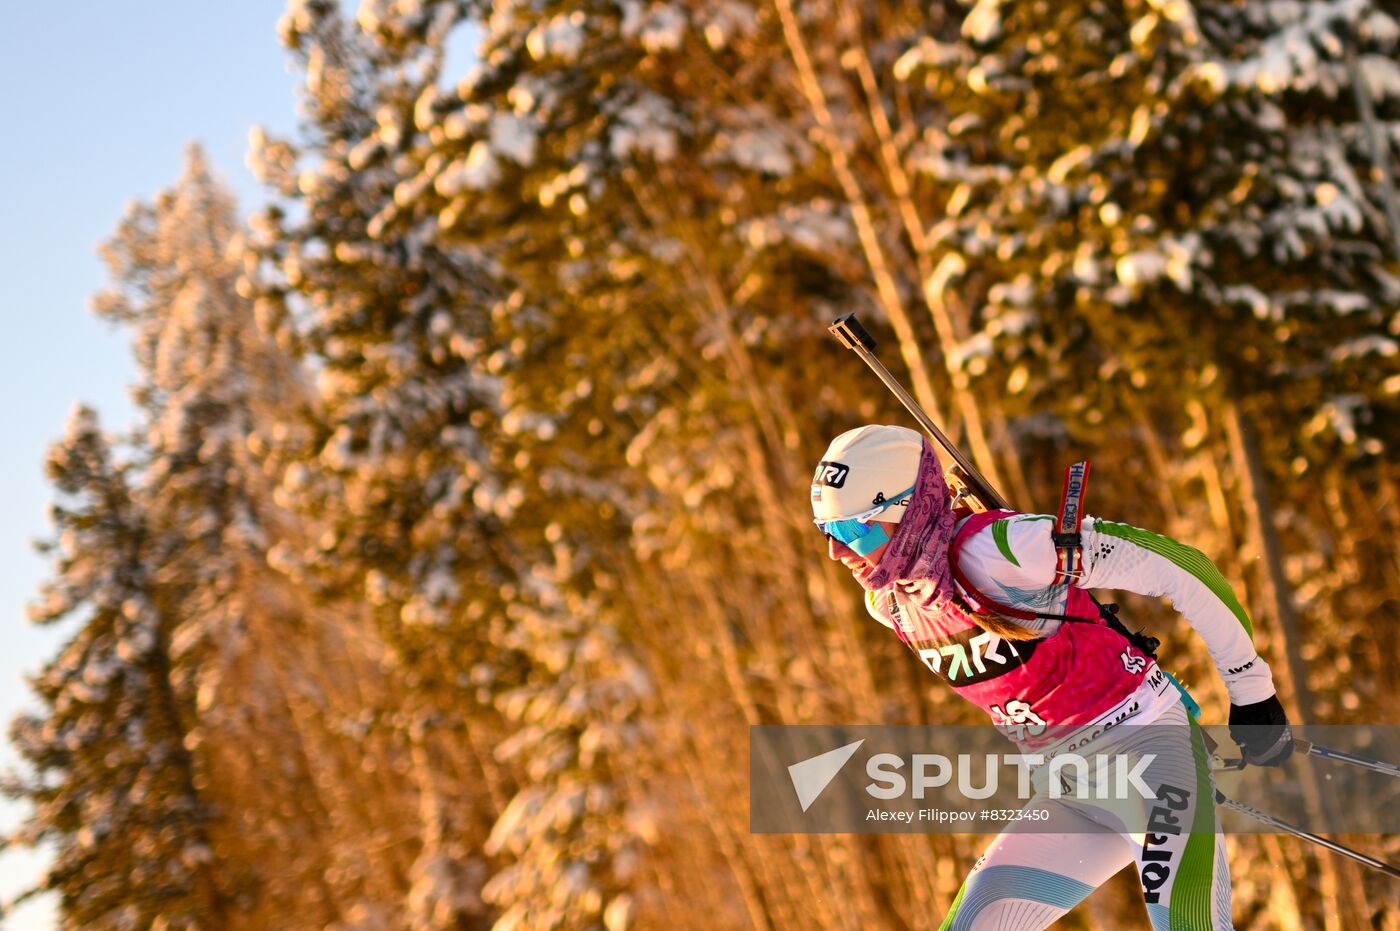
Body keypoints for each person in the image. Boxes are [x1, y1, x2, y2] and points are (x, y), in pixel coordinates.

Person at [811, 424, 1293, 931]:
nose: (836, 553)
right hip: (1070, 791)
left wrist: (1252, 692)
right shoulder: (889, 602)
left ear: (908, 510)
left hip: (1150, 755)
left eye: (852, 531)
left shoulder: (1005, 549)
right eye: (826, 531)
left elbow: (1184, 567)